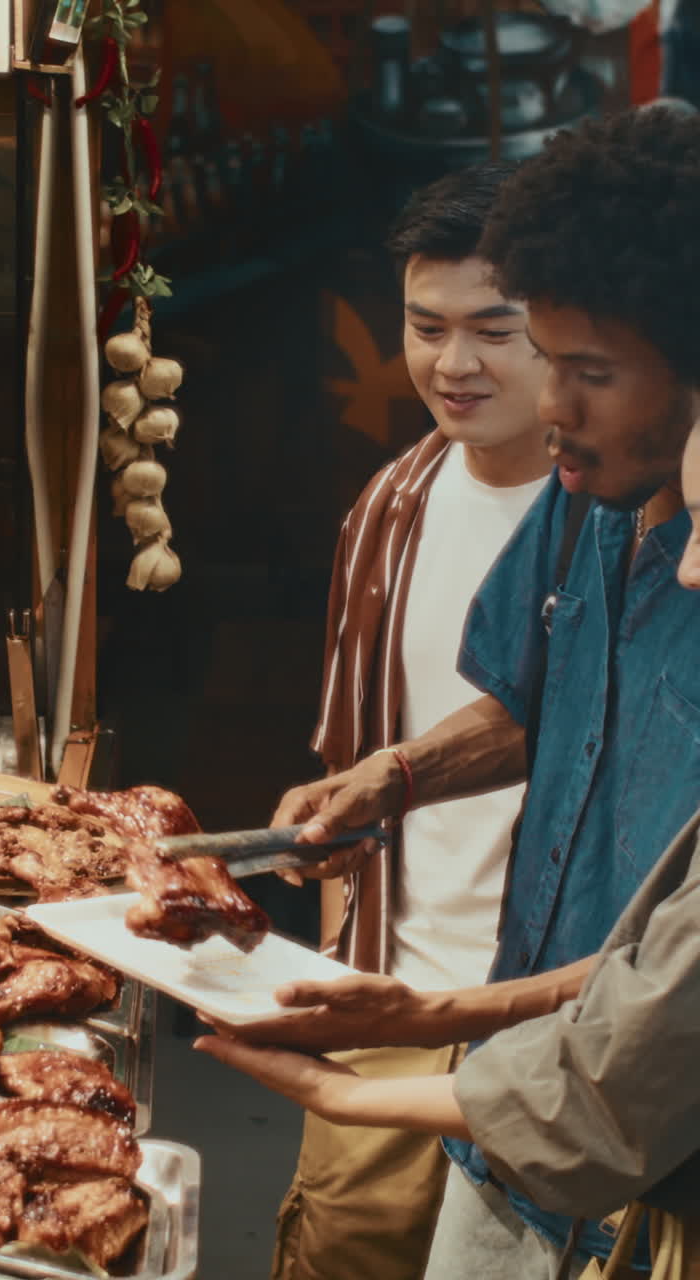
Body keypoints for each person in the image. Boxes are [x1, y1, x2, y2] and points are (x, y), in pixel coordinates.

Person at [213, 107, 700, 1277]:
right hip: (510, 1142)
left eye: (589, 373)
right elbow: (531, 699)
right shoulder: (580, 496)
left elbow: (663, 981)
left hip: (643, 1166)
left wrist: (414, 1026)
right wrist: (396, 773)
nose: (555, 411)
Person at [264, 164, 550, 1280]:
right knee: (343, 1254)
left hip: (547, 1016)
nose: (452, 363)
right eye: (425, 327)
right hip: (385, 994)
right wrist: (340, 974)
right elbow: (348, 764)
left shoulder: (634, 515)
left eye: (495, 329)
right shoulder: (391, 503)